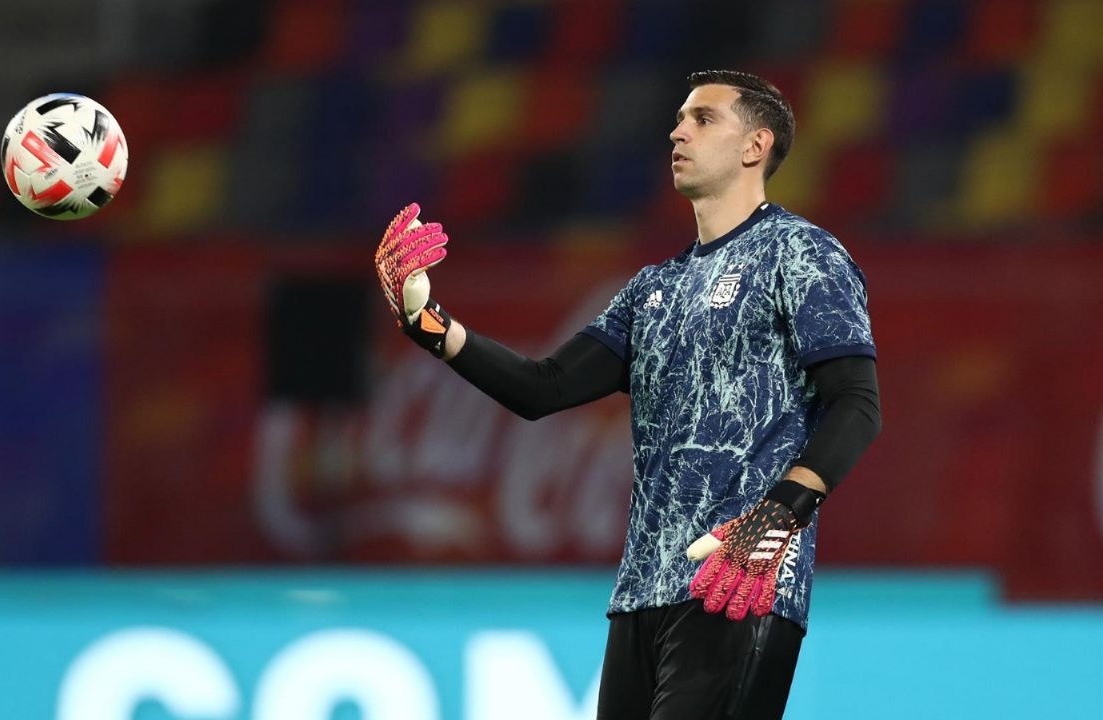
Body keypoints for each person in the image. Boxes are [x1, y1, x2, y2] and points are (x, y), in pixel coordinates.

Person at [374, 69, 882, 720]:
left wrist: (778, 516)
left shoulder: (801, 253)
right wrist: (428, 325)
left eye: (703, 119)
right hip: (642, 595)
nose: (677, 131)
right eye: (678, 118)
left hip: (737, 586)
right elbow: (542, 388)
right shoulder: (652, 290)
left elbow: (857, 404)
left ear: (755, 147)